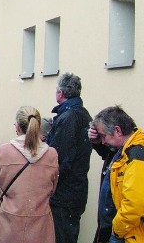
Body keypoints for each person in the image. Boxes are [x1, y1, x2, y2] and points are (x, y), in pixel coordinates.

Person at [91, 106, 144, 243]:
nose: (103, 141)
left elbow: (135, 205)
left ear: (117, 130)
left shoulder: (137, 157)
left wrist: (117, 229)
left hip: (130, 236)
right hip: (125, 234)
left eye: (103, 136)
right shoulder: (125, 151)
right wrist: (96, 142)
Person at [0, 106, 59, 243]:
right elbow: (52, 188)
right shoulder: (52, 154)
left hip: (8, 221)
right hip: (40, 222)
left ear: (17, 127)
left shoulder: (2, 152)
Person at [46, 72, 93, 243]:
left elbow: (58, 158)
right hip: (75, 190)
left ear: (61, 93)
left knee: (62, 236)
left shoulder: (69, 118)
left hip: (65, 193)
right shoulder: (82, 114)